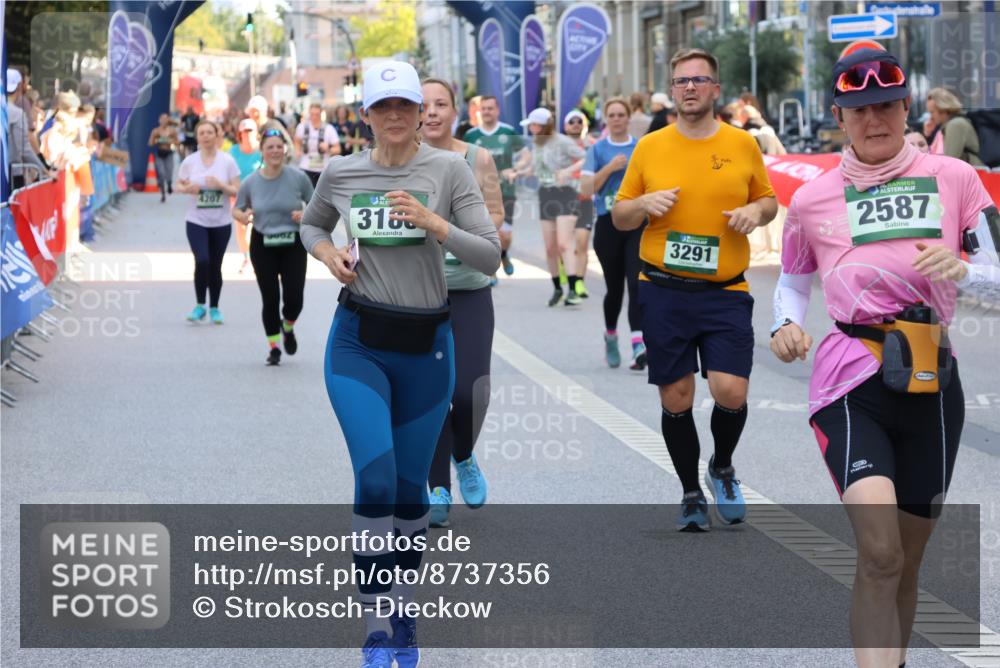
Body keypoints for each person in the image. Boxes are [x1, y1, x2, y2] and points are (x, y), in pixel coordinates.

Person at [770, 44, 1000, 668]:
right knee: (880, 554)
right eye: (859, 110)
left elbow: (997, 276)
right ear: (839, 117)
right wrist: (785, 324)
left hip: (931, 376)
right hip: (850, 378)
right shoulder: (815, 199)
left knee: (909, 558)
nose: (874, 121)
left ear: (905, 109)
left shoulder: (954, 179)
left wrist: (965, 271)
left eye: (886, 107)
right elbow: (792, 280)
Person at [299, 61, 500, 667]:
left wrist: (435, 223)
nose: (393, 116)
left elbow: (489, 256)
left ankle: (403, 605)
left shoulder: (449, 169)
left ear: (421, 114)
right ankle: (376, 622)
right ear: (365, 115)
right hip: (358, 339)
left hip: (427, 345)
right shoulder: (340, 170)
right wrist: (330, 252)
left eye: (404, 106)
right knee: (377, 479)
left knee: (412, 491)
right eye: (381, 106)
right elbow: (311, 225)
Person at [612, 48, 777, 531]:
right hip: (663, 290)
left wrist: (755, 213)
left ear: (715, 89)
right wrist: (643, 202)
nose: (689, 88)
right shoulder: (651, 146)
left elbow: (767, 199)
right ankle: (689, 493)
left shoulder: (742, 144)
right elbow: (621, 216)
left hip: (725, 289)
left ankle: (721, 465)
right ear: (672, 88)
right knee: (677, 397)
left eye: (699, 80)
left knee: (730, 389)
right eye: (681, 80)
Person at [420, 77, 505, 528]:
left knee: (471, 390)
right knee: (433, 392)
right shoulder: (400, 162)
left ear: (456, 112)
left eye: (440, 104)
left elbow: (495, 216)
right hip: (417, 292)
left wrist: (449, 226)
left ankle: (464, 454)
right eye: (424, 104)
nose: (432, 112)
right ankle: (436, 487)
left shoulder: (477, 157)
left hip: (469, 285)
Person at [234, 128, 313, 365]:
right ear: (263, 151)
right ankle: (274, 347)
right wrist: (244, 215)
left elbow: (317, 204)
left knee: (294, 298)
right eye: (270, 147)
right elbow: (236, 208)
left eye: (279, 146)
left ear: (285, 149)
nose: (275, 151)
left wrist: (305, 212)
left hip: (293, 244)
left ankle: (287, 326)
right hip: (263, 243)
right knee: (270, 298)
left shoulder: (298, 177)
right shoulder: (251, 182)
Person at [581, 97, 645, 370]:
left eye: (621, 114)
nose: (617, 119)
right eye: (612, 115)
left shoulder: (641, 148)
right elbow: (586, 189)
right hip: (608, 225)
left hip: (637, 223)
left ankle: (638, 344)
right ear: (606, 119)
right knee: (615, 289)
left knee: (637, 284)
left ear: (629, 118)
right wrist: (610, 168)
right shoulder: (597, 150)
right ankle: (610, 336)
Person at [511, 107, 586, 306]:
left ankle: (572, 290)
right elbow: (535, 168)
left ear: (544, 125)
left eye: (534, 125)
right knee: (550, 247)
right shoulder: (538, 142)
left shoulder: (562, 141)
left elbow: (585, 157)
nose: (531, 129)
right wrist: (517, 173)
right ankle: (557, 289)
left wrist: (568, 171)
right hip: (545, 194)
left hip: (565, 193)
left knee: (563, 243)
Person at [175, 120, 241, 324]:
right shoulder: (190, 161)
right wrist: (188, 189)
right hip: (196, 220)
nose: (205, 136)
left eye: (209, 132)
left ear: (216, 135)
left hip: (221, 222)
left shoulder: (227, 161)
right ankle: (199, 305)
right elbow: (178, 184)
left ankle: (214, 308)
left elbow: (237, 190)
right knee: (202, 260)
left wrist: (221, 185)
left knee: (215, 265)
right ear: (197, 137)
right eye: (201, 132)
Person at [463, 95, 522, 277]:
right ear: (479, 111)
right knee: (487, 232)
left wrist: (515, 169)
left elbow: (526, 155)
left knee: (505, 236)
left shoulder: (509, 132)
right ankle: (492, 272)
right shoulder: (471, 135)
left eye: (490, 108)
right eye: (484, 108)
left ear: (497, 110)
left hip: (506, 191)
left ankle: (503, 254)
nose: (487, 111)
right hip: (481, 193)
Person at [564, 109, 596, 298]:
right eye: (572, 121)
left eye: (579, 121)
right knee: (566, 244)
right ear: (566, 126)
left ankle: (579, 283)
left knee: (582, 243)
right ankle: (566, 274)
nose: (576, 124)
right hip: (563, 202)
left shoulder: (594, 146)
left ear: (585, 125)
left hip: (586, 201)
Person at [230, 118, 264, 271]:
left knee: (254, 227)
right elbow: (227, 172)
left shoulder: (262, 151)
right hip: (239, 196)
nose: (247, 134)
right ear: (240, 134)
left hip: (260, 195)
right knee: (242, 228)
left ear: (256, 133)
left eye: (250, 131)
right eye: (245, 131)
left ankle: (256, 257)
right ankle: (246, 257)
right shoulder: (233, 151)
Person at [6, 68, 47, 189]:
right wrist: (44, 168)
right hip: (12, 173)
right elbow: (24, 148)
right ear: (20, 85)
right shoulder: (17, 113)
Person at [925, 87, 984, 166]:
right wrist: (928, 134)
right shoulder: (948, 125)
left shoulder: (955, 125)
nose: (931, 117)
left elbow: (949, 161)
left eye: (932, 112)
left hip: (971, 173)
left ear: (943, 108)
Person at [295, 102, 341, 187]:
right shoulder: (301, 127)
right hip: (306, 167)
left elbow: (338, 149)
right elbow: (297, 141)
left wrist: (328, 148)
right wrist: (297, 151)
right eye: (312, 114)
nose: (314, 117)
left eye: (317, 114)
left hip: (323, 168)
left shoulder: (329, 129)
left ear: (321, 114)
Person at [148, 113, 178, 202]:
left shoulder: (172, 130)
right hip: (159, 154)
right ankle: (163, 194)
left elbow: (177, 141)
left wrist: (171, 140)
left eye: (166, 119)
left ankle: (169, 184)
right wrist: (156, 140)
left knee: (169, 172)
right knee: (161, 173)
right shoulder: (156, 131)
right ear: (159, 120)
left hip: (169, 153)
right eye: (162, 119)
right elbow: (150, 143)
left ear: (168, 120)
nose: (164, 121)